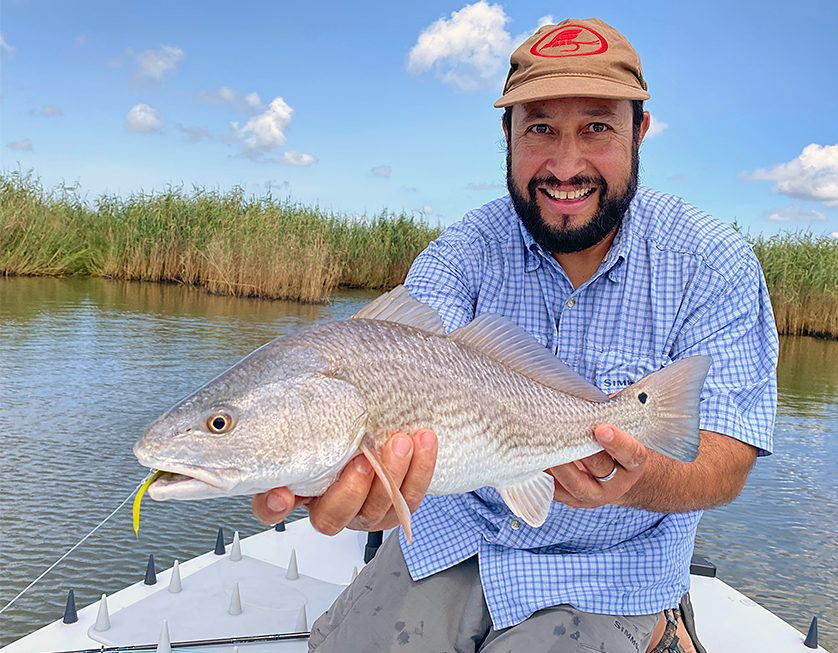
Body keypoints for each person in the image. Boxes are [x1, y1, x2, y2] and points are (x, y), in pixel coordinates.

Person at [253, 17, 778, 653]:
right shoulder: (463, 251)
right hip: (455, 534)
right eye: (539, 129)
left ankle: (667, 630)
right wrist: (367, 486)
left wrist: (635, 478)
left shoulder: (712, 261)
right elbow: (390, 349)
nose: (565, 164)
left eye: (597, 127)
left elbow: (724, 464)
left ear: (640, 130)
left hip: (612, 574)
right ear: (507, 134)